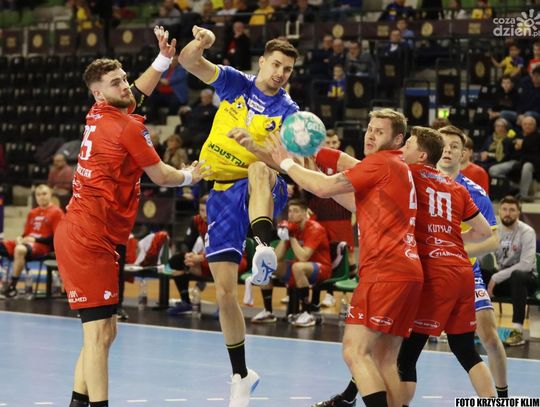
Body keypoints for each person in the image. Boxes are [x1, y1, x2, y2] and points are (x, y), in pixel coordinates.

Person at [54, 27, 209, 407]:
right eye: (116, 83)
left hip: (97, 235)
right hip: (87, 238)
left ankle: (78, 403)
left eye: (123, 78)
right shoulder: (126, 127)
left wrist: (163, 59)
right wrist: (191, 175)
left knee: (105, 332)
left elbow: (137, 91)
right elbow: (162, 176)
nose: (125, 86)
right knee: (97, 335)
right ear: (99, 93)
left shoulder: (100, 112)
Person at [269, 108, 423, 407]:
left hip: (384, 271)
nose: (370, 135)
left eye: (379, 131)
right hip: (407, 272)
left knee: (355, 351)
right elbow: (345, 196)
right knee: (385, 359)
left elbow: (324, 186)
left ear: (398, 139)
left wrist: (286, 162)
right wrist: (313, 157)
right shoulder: (396, 167)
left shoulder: (381, 162)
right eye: (370, 129)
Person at [178, 26, 299, 406]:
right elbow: (188, 62)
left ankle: (263, 244)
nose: (280, 73)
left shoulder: (288, 112)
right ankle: (241, 375)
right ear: (261, 62)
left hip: (263, 185)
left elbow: (287, 165)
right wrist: (200, 44)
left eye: (287, 69)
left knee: (259, 169)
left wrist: (255, 149)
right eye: (276, 64)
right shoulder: (236, 84)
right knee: (225, 291)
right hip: (221, 192)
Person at [399, 126, 495, 404]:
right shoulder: (457, 187)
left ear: (422, 154)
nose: (403, 149)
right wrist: (450, 239)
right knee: (465, 349)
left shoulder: (410, 174)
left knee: (407, 354)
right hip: (462, 271)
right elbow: (484, 232)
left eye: (408, 145)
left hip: (435, 274)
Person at [437, 125, 509, 398]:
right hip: (427, 272)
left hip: (465, 272)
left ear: (463, 153)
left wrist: (456, 251)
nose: (448, 150)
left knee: (488, 334)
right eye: (443, 145)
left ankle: (502, 397)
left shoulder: (474, 192)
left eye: (454, 146)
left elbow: (493, 240)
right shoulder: (418, 182)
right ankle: (355, 392)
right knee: (398, 337)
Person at [251, 199, 332, 326]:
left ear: (305, 213)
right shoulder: (292, 228)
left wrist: (292, 237)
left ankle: (306, 313)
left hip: (322, 268)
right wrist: (284, 238)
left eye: (296, 211)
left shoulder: (315, 228)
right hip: (298, 268)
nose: (291, 214)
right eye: (289, 211)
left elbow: (304, 257)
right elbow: (276, 258)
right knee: (265, 265)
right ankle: (268, 311)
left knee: (298, 267)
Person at [483, 196, 538, 347]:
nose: (508, 213)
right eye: (505, 209)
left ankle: (517, 331)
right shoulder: (495, 231)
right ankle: (475, 327)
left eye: (512, 210)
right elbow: (483, 254)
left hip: (527, 280)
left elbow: (526, 265)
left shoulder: (527, 232)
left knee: (517, 275)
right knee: (479, 274)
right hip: (504, 280)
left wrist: (496, 277)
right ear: (499, 211)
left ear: (518, 212)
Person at [0, 184, 64, 299]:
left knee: (20, 249)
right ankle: (2, 281)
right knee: (7, 245)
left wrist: (35, 239)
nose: (41, 197)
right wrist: (20, 237)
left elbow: (57, 237)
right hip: (27, 243)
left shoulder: (57, 212)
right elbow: (26, 234)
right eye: (38, 195)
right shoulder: (32, 213)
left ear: (50, 195)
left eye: (44, 194)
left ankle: (12, 287)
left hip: (43, 246)